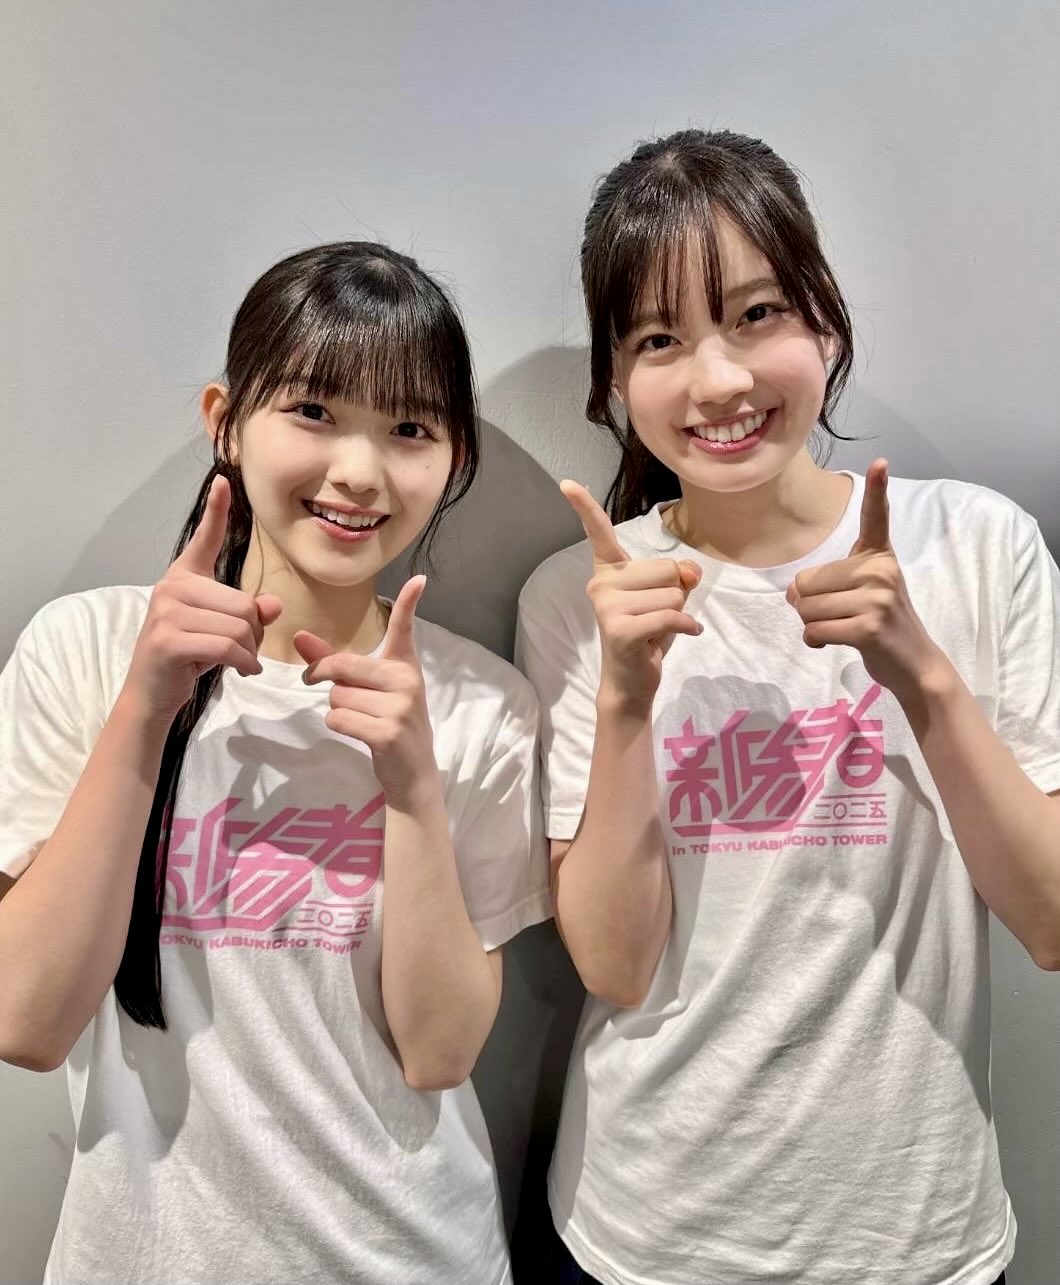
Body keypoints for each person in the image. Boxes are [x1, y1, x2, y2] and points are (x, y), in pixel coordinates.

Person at [516, 129, 1060, 1285]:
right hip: (644, 1234)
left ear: (825, 322)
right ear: (615, 383)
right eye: (659, 339)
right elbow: (614, 967)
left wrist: (921, 674)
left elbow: (1052, 923)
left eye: (755, 314)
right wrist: (625, 701)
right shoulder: (579, 594)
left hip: (920, 1235)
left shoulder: (975, 546)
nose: (717, 381)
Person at [0, 241, 551, 1285]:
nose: (361, 471)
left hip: (410, 1254)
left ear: (454, 457)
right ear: (226, 420)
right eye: (313, 410)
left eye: (410, 428)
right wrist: (144, 708)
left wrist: (414, 789)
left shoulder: (481, 702)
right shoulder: (88, 650)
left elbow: (438, 1053)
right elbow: (24, 1019)